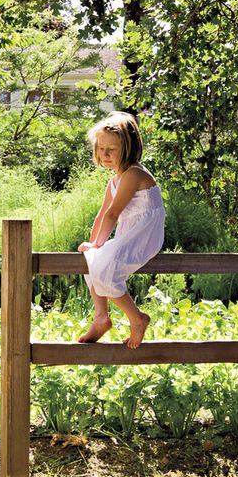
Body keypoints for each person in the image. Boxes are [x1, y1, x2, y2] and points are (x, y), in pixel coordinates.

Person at [77, 111, 165, 348]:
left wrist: (99, 244)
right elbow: (102, 214)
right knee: (91, 259)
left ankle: (137, 318)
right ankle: (101, 317)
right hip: (130, 235)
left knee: (106, 266)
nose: (104, 154)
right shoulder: (114, 181)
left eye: (111, 149)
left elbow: (114, 214)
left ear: (128, 149)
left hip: (143, 236)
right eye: (101, 148)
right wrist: (93, 244)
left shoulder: (134, 174)